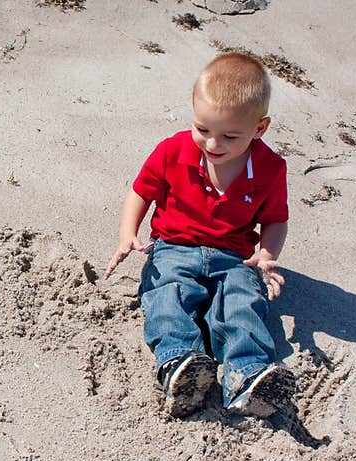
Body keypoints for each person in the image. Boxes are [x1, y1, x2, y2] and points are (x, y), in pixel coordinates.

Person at [104, 52, 296, 419]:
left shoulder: (270, 169)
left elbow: (275, 219)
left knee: (242, 301)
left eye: (229, 136)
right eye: (203, 129)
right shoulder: (173, 150)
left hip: (234, 255)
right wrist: (128, 233)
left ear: (260, 128)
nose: (212, 144)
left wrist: (268, 254)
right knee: (166, 294)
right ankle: (181, 362)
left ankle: (247, 373)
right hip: (173, 247)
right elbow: (141, 191)